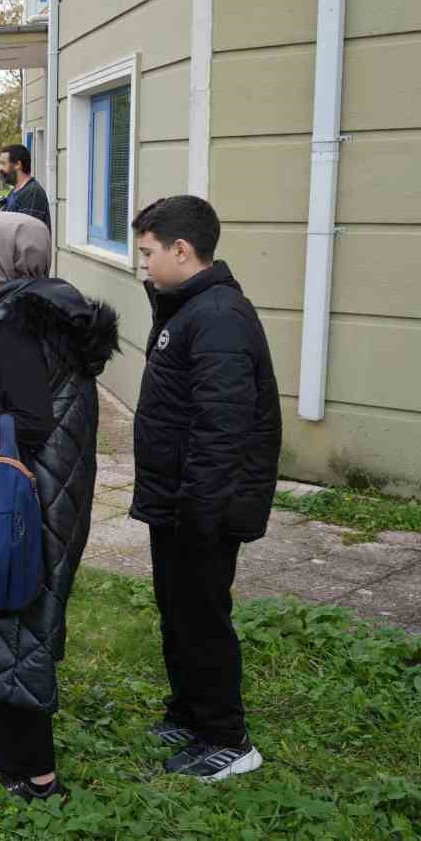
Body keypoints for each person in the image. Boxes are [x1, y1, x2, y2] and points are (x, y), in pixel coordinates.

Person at [0, 212, 117, 809]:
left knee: (14, 622)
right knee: (11, 617)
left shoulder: (13, 322)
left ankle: (32, 778)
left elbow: (27, 422)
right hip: (45, 490)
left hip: (21, 497)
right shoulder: (45, 309)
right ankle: (7, 749)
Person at [130, 195, 279, 781]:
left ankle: (228, 738)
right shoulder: (189, 306)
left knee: (202, 616)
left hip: (203, 507)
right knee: (178, 609)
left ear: (181, 250)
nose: (141, 264)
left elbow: (223, 430)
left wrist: (197, 513)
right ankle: (190, 712)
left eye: (147, 253)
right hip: (180, 501)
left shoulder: (219, 318)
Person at [0, 143, 51, 231]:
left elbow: (26, 231)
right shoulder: (14, 192)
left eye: (3, 163)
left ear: (18, 164)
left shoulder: (33, 192)